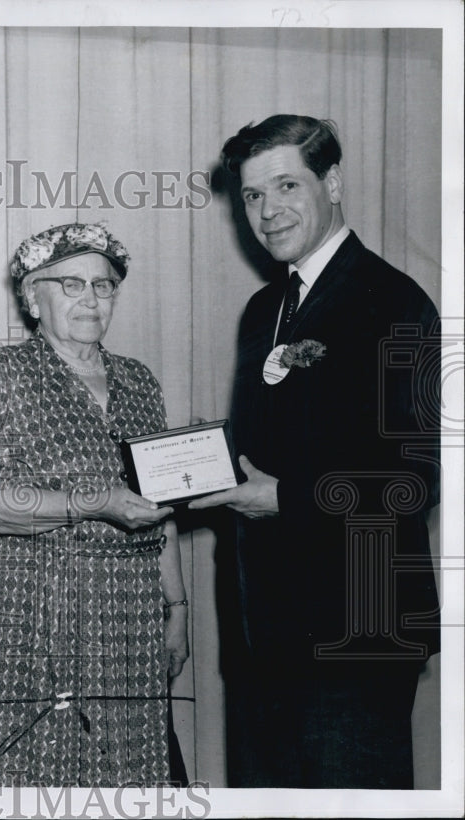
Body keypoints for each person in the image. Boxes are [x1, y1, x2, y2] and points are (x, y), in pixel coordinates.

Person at [190, 115, 441, 788]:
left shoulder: (392, 302)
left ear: (331, 182)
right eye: (251, 196)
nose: (268, 213)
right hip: (265, 641)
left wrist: (287, 498)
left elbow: (416, 478)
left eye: (286, 187)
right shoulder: (262, 310)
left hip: (353, 639)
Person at [0, 222, 189, 786]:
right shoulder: (2, 375)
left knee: (130, 773)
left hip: (131, 611)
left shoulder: (139, 381)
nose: (89, 298)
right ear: (31, 298)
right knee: (38, 775)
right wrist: (99, 501)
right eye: (69, 284)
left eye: (103, 285)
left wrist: (177, 610)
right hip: (36, 609)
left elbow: (162, 505)